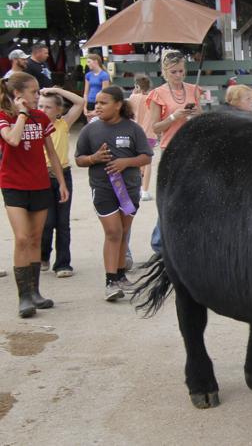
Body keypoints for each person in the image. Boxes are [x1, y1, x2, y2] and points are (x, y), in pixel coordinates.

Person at [75, 86, 153, 301]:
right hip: (102, 188)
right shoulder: (90, 130)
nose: (97, 106)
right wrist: (93, 159)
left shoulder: (133, 129)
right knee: (113, 231)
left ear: (118, 105)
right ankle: (110, 281)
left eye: (103, 102)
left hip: (128, 188)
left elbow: (146, 156)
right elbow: (79, 159)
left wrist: (125, 162)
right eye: (96, 103)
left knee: (123, 231)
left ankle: (120, 275)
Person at [0, 72, 69, 318]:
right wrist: (21, 114)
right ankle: (24, 297)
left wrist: (61, 182)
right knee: (21, 237)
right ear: (18, 95)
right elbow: (13, 140)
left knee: (35, 238)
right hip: (13, 185)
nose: (38, 96)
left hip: (40, 183)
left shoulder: (41, 117)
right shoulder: (4, 116)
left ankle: (35, 292)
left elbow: (51, 153)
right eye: (34, 92)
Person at [144, 51, 202, 264]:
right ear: (165, 71)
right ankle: (159, 242)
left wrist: (196, 114)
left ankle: (187, 239)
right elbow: (155, 127)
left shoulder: (193, 89)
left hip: (193, 146)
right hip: (171, 146)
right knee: (171, 195)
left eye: (181, 71)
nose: (178, 75)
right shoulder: (158, 94)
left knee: (192, 194)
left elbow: (201, 116)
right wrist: (173, 116)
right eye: (174, 71)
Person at [38, 86, 85, 278]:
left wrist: (55, 89)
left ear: (59, 110)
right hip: (41, 176)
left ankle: (63, 263)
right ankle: (43, 256)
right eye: (40, 106)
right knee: (46, 222)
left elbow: (80, 102)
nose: (43, 110)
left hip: (63, 174)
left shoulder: (63, 123)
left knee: (63, 222)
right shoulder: (33, 125)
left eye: (48, 107)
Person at [127, 75, 156, 201]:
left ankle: (136, 188)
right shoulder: (152, 98)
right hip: (149, 133)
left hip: (135, 133)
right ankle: (145, 190)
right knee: (147, 162)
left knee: (135, 161)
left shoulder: (132, 98)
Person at [82, 54, 111, 122]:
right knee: (90, 124)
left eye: (89, 62)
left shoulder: (104, 75)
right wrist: (84, 107)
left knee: (99, 122)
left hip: (99, 103)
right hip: (90, 102)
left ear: (95, 62)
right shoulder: (88, 75)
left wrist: (96, 110)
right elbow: (86, 93)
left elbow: (104, 94)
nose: (87, 64)